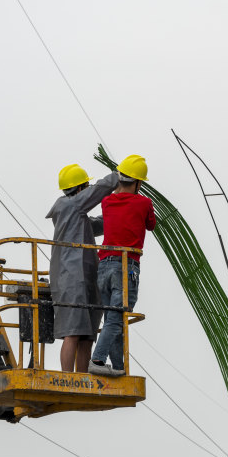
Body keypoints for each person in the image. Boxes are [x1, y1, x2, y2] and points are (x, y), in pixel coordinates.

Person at [46, 163, 118, 373]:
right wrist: (118, 176)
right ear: (79, 189)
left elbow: (94, 225)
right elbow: (99, 190)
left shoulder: (74, 213)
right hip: (71, 278)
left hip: (85, 278)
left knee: (87, 334)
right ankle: (68, 378)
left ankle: (82, 377)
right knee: (73, 332)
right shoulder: (69, 205)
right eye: (85, 187)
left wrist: (119, 215)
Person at [88, 155, 156, 376]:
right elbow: (151, 225)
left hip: (103, 266)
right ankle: (97, 360)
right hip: (126, 266)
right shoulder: (144, 203)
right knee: (117, 319)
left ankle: (118, 367)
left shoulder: (107, 201)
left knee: (112, 319)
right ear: (138, 182)